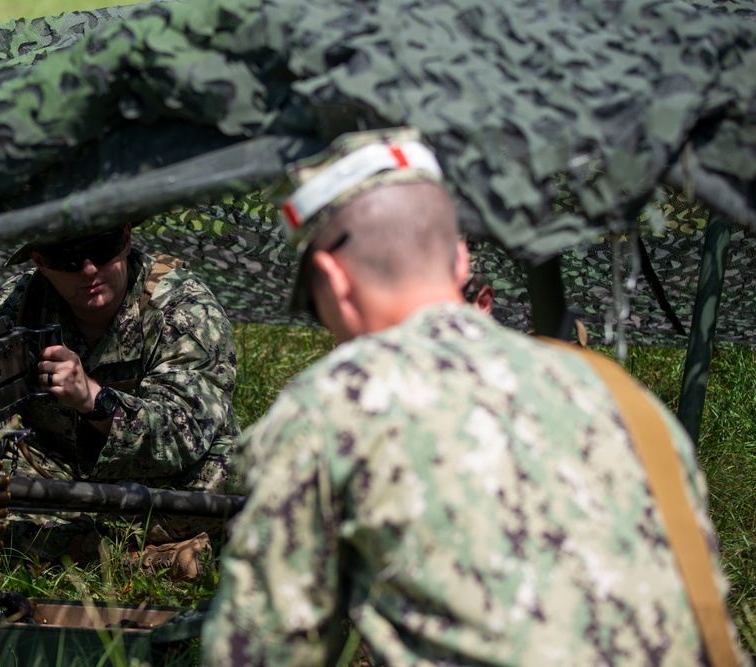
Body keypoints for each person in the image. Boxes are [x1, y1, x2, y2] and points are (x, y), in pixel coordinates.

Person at [202, 128, 745, 664]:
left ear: (333, 279)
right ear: (460, 259)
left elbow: (259, 650)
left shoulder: (330, 407)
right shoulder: (620, 394)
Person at [0, 223, 240, 575]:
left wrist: (93, 398)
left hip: (163, 482)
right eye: (67, 259)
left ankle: (81, 552)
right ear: (41, 263)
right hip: (58, 474)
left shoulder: (183, 308)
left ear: (125, 240)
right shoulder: (19, 305)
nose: (88, 270)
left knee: (242, 471)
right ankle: (146, 560)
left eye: (102, 248)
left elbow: (183, 436)